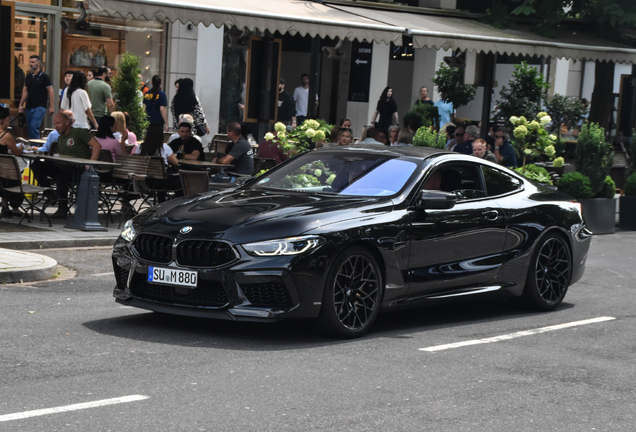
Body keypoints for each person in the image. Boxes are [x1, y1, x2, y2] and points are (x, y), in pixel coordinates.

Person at [49, 111, 102, 218]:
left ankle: (62, 208)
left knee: (61, 175)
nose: (56, 126)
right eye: (54, 124)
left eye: (58, 123)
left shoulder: (78, 132)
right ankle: (50, 193)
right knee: (38, 165)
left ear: (67, 123)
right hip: (64, 167)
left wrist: (91, 162)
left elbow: (97, 145)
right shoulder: (60, 138)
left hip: (78, 169)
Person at [134, 123, 180, 202]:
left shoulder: (140, 148)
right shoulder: (165, 148)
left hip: (145, 181)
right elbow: (176, 163)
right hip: (163, 183)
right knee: (182, 182)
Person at [19, 55, 54, 139]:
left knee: (34, 126)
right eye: (30, 62)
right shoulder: (28, 76)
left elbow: (50, 91)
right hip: (29, 106)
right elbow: (25, 91)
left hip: (40, 106)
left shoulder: (44, 76)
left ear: (39, 63)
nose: (31, 64)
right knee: (29, 127)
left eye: (33, 62)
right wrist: (21, 104)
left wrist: (51, 106)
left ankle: (35, 146)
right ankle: (32, 144)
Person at [0, 107, 25, 217]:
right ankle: (15, 207)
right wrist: (21, 147)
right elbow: (17, 152)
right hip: (6, 176)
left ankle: (4, 206)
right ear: (7, 118)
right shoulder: (6, 136)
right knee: (12, 176)